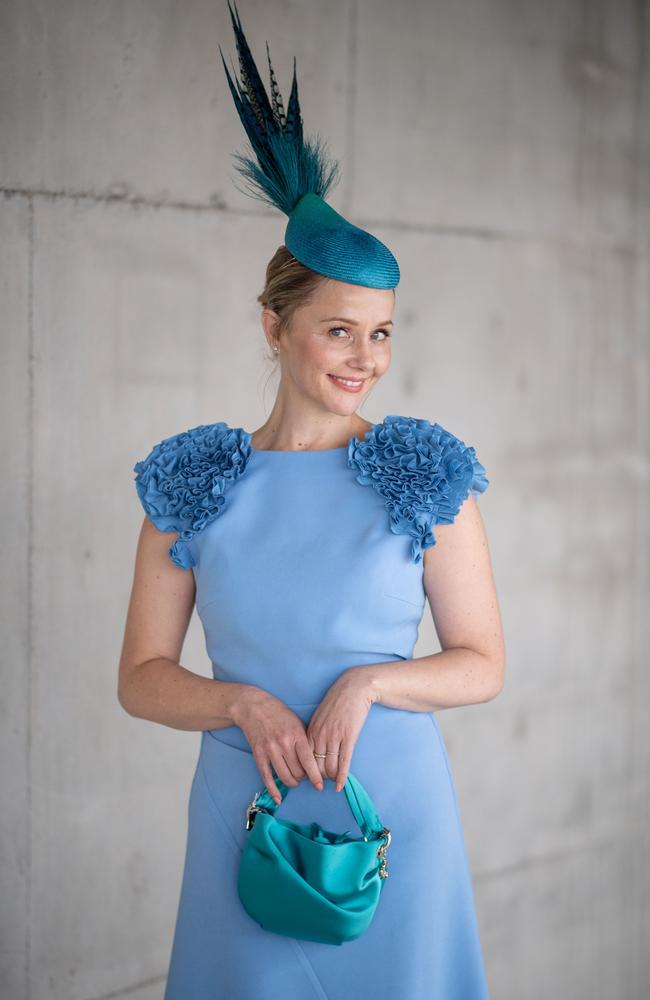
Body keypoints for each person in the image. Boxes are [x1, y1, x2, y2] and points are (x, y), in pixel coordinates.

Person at [118, 3, 505, 997]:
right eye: (338, 331)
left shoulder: (421, 469)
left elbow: (481, 665)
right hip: (244, 808)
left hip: (391, 810)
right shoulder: (192, 480)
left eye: (380, 334)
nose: (363, 359)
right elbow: (142, 677)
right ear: (274, 328)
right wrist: (239, 701)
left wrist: (370, 682)